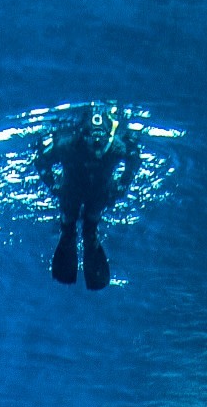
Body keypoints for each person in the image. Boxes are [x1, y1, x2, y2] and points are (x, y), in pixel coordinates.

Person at [31, 104, 141, 290]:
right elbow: (41, 160)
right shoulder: (72, 146)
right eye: (92, 142)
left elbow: (41, 160)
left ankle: (81, 234)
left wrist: (122, 184)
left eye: (100, 142)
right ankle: (74, 233)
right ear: (83, 137)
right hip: (78, 190)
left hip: (89, 191)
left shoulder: (112, 147)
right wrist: (122, 184)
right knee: (73, 225)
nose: (96, 148)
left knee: (87, 227)